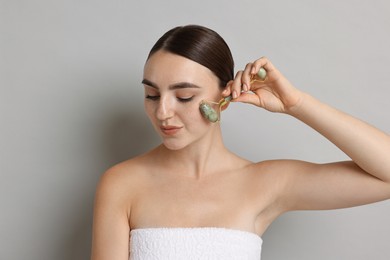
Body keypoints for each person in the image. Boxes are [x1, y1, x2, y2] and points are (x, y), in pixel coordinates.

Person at [91, 25, 390, 260]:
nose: (163, 112)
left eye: (184, 96)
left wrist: (296, 104)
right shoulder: (122, 184)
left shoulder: (264, 182)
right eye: (152, 95)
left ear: (226, 95)